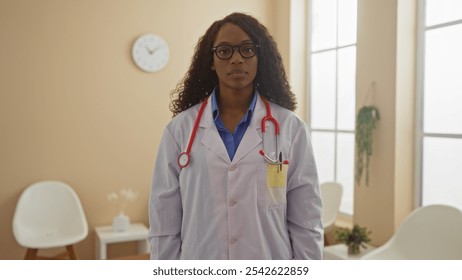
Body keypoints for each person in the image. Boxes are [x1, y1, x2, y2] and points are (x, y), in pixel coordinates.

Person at [148, 12, 323, 260]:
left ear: (260, 58)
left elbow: (307, 219)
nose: (237, 59)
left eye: (247, 50)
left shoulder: (291, 129)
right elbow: (164, 221)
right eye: (225, 51)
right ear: (211, 60)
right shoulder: (179, 131)